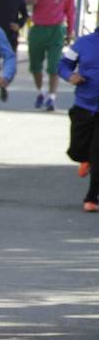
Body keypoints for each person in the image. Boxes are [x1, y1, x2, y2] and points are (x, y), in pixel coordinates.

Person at [59, 29, 99, 212]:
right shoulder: (83, 43)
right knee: (76, 151)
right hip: (84, 106)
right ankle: (87, 158)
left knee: (98, 154)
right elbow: (63, 65)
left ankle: (92, 198)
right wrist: (70, 76)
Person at [25, 0, 75, 112]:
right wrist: (30, 1)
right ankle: (41, 92)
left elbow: (70, 10)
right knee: (35, 66)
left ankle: (52, 97)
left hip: (56, 30)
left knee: (54, 65)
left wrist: (70, 31)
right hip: (38, 29)